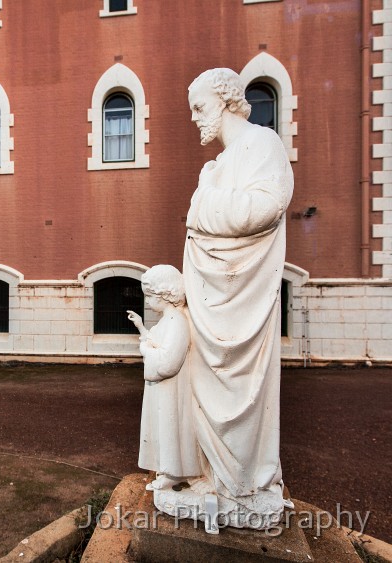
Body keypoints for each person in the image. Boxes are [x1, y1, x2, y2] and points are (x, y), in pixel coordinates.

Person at [183, 68, 294, 521]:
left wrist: (202, 202)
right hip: (211, 303)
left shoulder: (263, 145)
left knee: (241, 395)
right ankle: (214, 476)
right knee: (201, 389)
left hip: (241, 302)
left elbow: (262, 210)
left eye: (199, 106)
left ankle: (244, 484)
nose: (194, 118)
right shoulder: (219, 164)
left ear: (227, 100)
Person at [127, 265, 200, 492]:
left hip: (171, 390)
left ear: (164, 294)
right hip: (162, 390)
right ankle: (167, 471)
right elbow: (156, 342)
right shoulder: (167, 320)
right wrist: (141, 327)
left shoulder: (177, 321)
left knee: (170, 428)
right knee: (162, 428)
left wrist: (145, 351)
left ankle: (173, 472)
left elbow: (168, 362)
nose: (148, 301)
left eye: (150, 296)